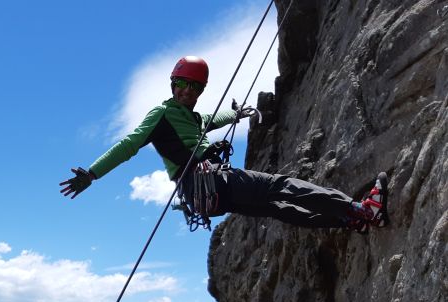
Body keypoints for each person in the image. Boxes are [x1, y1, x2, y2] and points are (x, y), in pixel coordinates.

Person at [60, 55, 388, 232]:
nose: (188, 91)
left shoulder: (192, 118)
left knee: (277, 208)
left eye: (195, 87)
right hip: (210, 181)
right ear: (173, 83)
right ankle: (360, 209)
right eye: (183, 83)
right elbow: (129, 144)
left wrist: (236, 114)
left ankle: (348, 220)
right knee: (280, 187)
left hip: (204, 196)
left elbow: (211, 120)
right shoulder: (162, 114)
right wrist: (92, 173)